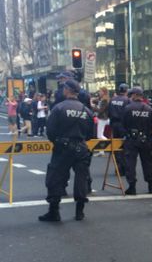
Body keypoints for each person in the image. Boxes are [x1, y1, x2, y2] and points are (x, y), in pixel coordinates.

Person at [38, 79, 94, 222]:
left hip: (62, 148)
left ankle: (54, 211)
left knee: (55, 177)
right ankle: (80, 211)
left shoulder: (59, 108)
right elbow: (90, 134)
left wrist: (58, 141)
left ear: (67, 90)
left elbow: (50, 131)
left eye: (64, 88)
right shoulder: (86, 110)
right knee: (81, 178)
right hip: (81, 148)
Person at [122, 87, 152, 195]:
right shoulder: (150, 109)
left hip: (132, 139)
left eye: (132, 95)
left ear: (136, 95)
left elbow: (124, 124)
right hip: (145, 139)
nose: (131, 97)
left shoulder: (128, 108)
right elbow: (151, 125)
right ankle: (151, 186)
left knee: (130, 163)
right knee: (147, 162)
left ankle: (132, 187)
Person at [108, 83, 130, 175]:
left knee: (116, 147)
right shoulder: (127, 100)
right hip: (123, 125)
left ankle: (118, 168)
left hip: (114, 124)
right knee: (124, 147)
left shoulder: (112, 100)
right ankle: (124, 168)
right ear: (126, 90)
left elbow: (109, 112)